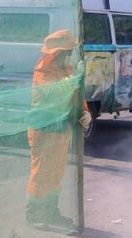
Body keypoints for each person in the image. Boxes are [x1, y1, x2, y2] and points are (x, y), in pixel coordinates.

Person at [27, 29, 90, 226]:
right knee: (42, 173)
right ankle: (34, 215)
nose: (71, 55)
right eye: (68, 52)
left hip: (62, 129)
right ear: (58, 53)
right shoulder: (42, 71)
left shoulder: (67, 71)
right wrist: (74, 79)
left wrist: (85, 112)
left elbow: (76, 95)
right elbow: (52, 93)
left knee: (56, 173)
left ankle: (51, 213)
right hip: (44, 128)